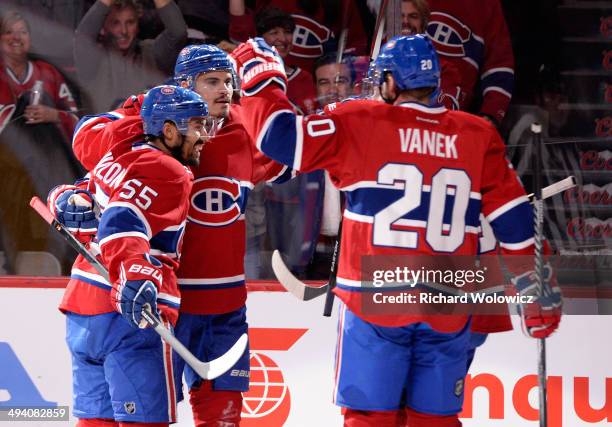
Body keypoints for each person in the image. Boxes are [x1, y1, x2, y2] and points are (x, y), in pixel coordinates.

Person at [230, 35, 561, 426]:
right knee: (435, 420)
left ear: (389, 82)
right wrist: (533, 281)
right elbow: (513, 217)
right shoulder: (477, 133)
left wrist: (261, 75)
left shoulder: (360, 120)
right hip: (450, 298)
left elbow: (280, 139)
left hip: (377, 294)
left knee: (370, 417)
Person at [68, 44, 290, 426]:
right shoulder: (154, 129)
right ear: (185, 84)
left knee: (222, 417)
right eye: (212, 81)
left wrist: (272, 88)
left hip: (225, 308)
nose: (224, 90)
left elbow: (297, 152)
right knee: (142, 416)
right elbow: (87, 142)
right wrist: (138, 121)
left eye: (229, 80)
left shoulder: (247, 131)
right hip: (167, 303)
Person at [46, 85, 209, 426]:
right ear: (168, 130)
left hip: (83, 312)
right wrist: (134, 272)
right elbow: (124, 219)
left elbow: (76, 196)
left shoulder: (116, 155)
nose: (204, 135)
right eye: (196, 125)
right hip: (129, 316)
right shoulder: (171, 170)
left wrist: (60, 198)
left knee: (96, 421)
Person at [74, 0, 187, 113]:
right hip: (102, 129)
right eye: (115, 23)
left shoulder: (151, 52)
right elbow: (83, 37)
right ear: (104, 26)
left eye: (130, 22)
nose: (123, 31)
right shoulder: (92, 58)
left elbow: (178, 32)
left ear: (138, 24)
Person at [426, 0, 515, 126]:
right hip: (403, 114)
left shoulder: (487, 5)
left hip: (455, 123)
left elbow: (499, 66)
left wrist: (491, 114)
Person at [0, 10, 78, 139]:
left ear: (30, 38)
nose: (16, 37)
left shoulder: (48, 72)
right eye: (9, 32)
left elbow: (77, 121)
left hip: (47, 154)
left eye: (23, 32)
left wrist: (54, 115)